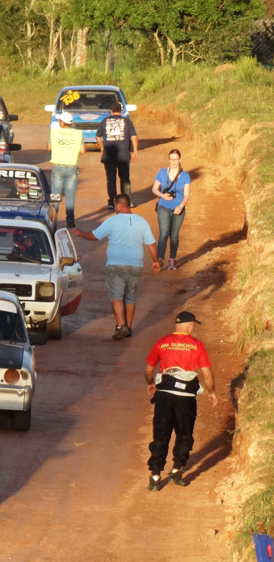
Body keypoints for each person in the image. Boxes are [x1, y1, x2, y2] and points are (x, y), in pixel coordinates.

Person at [144, 310, 217, 490]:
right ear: (187, 325)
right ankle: (176, 470)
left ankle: (155, 477)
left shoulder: (162, 342)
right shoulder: (197, 345)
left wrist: (151, 384)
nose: (193, 328)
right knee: (184, 434)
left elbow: (148, 370)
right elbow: (206, 373)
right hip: (185, 399)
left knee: (160, 435)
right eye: (193, 325)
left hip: (164, 396)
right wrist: (212, 392)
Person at [72, 193, 161, 339]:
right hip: (135, 265)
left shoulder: (112, 221)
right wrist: (155, 261)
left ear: (119, 206)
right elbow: (151, 243)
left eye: (115, 205)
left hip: (116, 264)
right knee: (131, 296)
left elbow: (94, 236)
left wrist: (80, 233)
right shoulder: (142, 222)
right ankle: (129, 328)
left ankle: (121, 326)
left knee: (116, 295)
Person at [96, 101, 139, 210]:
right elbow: (134, 138)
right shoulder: (127, 122)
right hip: (124, 155)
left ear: (111, 111)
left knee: (111, 179)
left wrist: (102, 148)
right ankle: (126, 201)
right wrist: (135, 152)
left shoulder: (104, 121)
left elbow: (98, 137)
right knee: (125, 178)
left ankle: (112, 202)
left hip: (109, 155)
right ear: (121, 111)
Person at [153, 149, 191, 270]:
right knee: (163, 233)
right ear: (169, 159)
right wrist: (162, 195)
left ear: (180, 159)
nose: (173, 162)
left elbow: (186, 195)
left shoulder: (185, 176)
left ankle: (172, 260)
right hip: (163, 206)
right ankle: (160, 259)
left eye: (175, 159)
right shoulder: (162, 172)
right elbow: (154, 189)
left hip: (178, 208)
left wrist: (180, 206)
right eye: (171, 159)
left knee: (174, 235)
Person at [47, 111, 86, 227]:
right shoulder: (78, 134)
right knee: (70, 195)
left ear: (63, 122)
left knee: (55, 195)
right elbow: (83, 150)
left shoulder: (54, 133)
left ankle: (53, 220)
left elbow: (49, 148)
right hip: (72, 167)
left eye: (60, 120)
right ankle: (70, 221)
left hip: (58, 166)